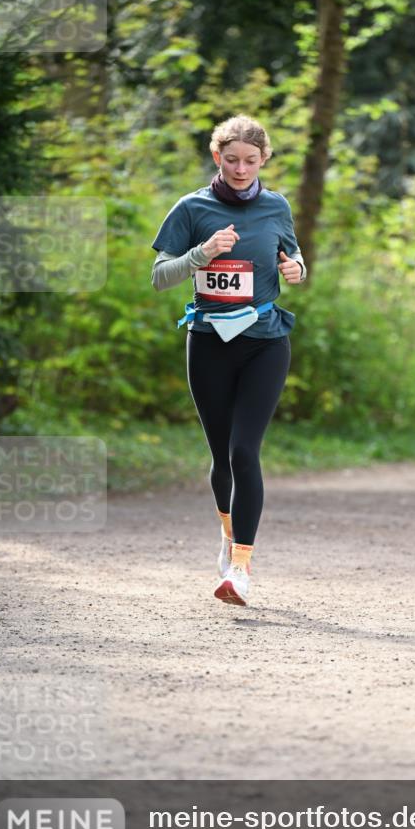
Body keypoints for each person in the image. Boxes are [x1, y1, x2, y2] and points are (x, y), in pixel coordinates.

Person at [150, 115, 306, 604]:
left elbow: (293, 257)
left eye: (251, 161)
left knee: (244, 451)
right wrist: (201, 253)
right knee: (221, 457)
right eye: (232, 159)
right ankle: (227, 532)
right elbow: (160, 276)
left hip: (265, 340)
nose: (241, 169)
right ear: (218, 157)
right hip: (209, 340)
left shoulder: (276, 206)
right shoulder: (191, 208)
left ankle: (240, 567)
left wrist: (296, 268)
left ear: (264, 161)